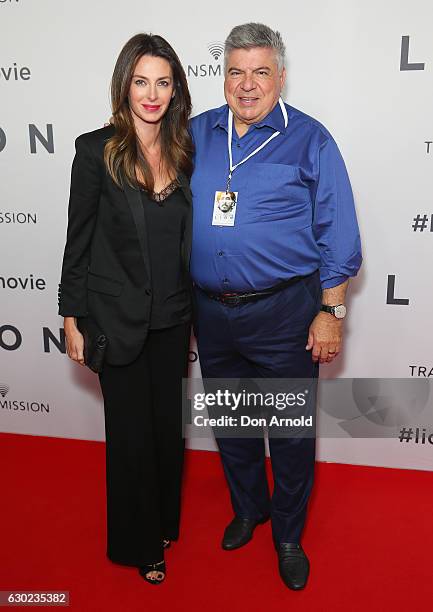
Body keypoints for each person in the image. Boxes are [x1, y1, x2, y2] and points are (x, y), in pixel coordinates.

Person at [190, 23, 362, 590]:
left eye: (260, 71)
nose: (246, 84)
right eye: (235, 71)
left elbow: (339, 234)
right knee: (234, 424)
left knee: (288, 431)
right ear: (223, 77)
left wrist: (331, 311)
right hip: (211, 314)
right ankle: (249, 509)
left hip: (285, 313)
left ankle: (287, 533)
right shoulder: (195, 134)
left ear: (281, 77)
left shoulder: (310, 139)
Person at [58, 33, 194, 585]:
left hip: (174, 318)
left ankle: (162, 521)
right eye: (141, 81)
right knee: (131, 437)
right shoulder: (96, 150)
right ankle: (141, 545)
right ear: (124, 85)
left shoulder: (187, 151)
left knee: (167, 431)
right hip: (116, 321)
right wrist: (71, 316)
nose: (152, 94)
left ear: (175, 90)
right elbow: (79, 240)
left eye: (163, 82)